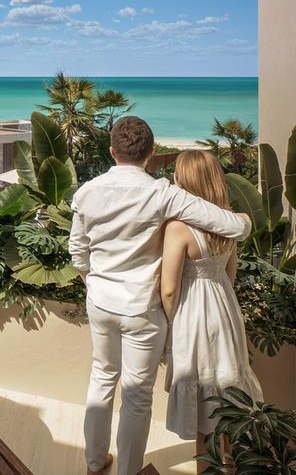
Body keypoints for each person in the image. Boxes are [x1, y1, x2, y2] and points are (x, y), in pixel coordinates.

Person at [69, 117, 251, 475]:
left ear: (112, 151)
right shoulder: (162, 193)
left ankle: (94, 462)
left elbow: (78, 252)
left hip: (100, 302)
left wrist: (93, 285)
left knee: (102, 377)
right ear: (151, 153)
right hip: (142, 308)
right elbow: (230, 226)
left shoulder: (87, 191)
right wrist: (245, 220)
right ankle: (128, 471)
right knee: (137, 396)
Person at [160, 150, 263, 474]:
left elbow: (169, 288)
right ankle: (230, 464)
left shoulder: (178, 227)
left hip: (193, 313)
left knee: (203, 397)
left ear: (185, 180)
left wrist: (171, 321)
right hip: (224, 306)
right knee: (226, 387)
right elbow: (230, 273)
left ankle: (208, 469)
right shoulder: (230, 221)